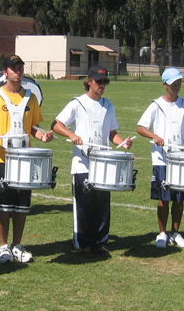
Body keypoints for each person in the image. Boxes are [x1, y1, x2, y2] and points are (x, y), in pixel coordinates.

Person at [0, 55, 53, 264]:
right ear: (5, 72)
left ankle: (17, 245)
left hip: (24, 159)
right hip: (1, 159)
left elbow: (32, 127)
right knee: (2, 205)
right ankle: (3, 246)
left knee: (22, 206)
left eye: (20, 68)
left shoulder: (30, 98)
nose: (18, 71)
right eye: (14, 68)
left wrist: (42, 135)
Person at [53, 64, 132, 257]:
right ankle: (82, 242)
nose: (102, 85)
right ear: (89, 81)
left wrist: (123, 142)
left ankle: (99, 242)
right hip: (82, 164)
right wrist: (72, 135)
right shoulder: (77, 103)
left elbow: (112, 133)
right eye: (99, 81)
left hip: (103, 165)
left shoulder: (108, 106)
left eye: (105, 81)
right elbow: (56, 124)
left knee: (101, 205)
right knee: (83, 205)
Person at [136, 67, 184, 249]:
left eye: (178, 82)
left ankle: (175, 233)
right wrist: (154, 136)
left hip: (182, 159)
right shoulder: (156, 105)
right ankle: (161, 233)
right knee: (164, 198)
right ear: (164, 84)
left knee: (179, 198)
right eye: (172, 83)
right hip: (162, 160)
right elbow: (140, 127)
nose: (176, 86)